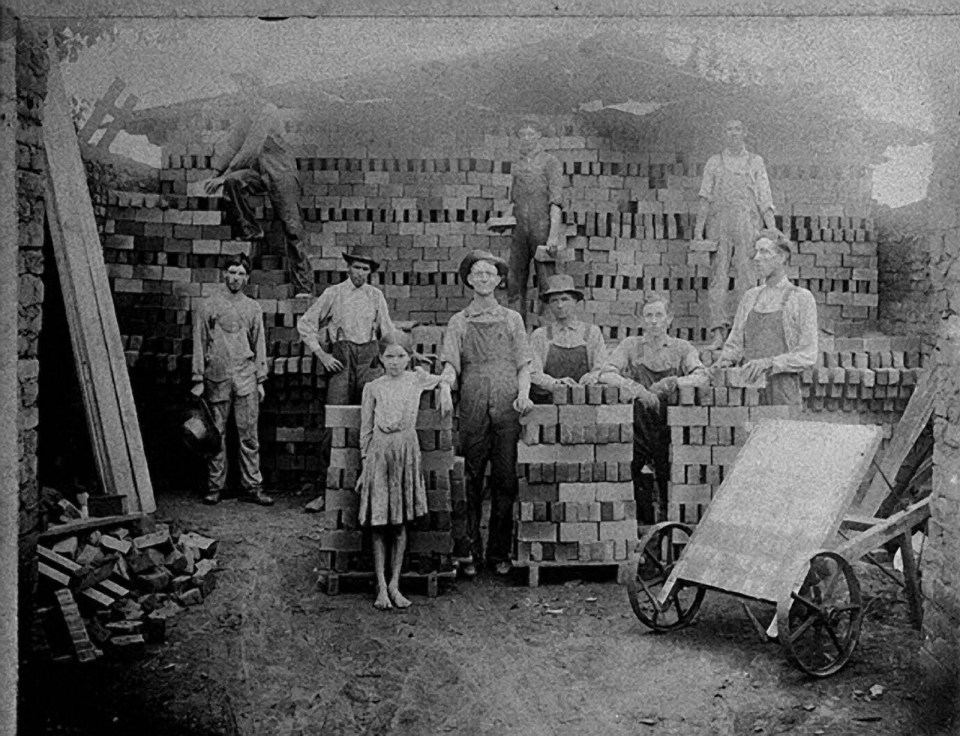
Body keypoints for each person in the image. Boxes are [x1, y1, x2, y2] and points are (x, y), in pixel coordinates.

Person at [438, 250, 533, 577]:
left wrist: (523, 393)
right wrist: (444, 385)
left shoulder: (512, 319)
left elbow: (524, 365)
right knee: (471, 478)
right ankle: (469, 552)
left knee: (505, 479)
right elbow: (450, 364)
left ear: (498, 280)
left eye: (489, 274)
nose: (483, 278)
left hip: (507, 403)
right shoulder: (459, 321)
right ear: (468, 279)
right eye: (477, 273)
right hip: (474, 402)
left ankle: (498, 553)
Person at [297, 248, 397, 511]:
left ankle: (370, 492)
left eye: (365, 269)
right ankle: (326, 491)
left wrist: (402, 354)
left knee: (372, 424)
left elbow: (387, 332)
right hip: (341, 363)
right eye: (357, 267)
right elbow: (305, 324)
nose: (360, 273)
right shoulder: (334, 293)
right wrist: (323, 355)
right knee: (335, 425)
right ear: (348, 268)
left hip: (369, 363)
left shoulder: (375, 296)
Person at [357, 334, 451, 610]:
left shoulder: (415, 380)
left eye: (400, 356)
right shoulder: (373, 387)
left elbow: (448, 376)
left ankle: (395, 585)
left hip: (406, 452)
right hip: (379, 454)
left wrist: (444, 387)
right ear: (380, 358)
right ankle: (380, 586)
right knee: (378, 523)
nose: (395, 362)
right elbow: (365, 430)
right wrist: (365, 466)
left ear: (409, 357)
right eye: (389, 356)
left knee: (399, 524)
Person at [599, 295, 708, 524]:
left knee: (669, 480)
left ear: (669, 318)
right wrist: (636, 388)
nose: (654, 321)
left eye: (659, 315)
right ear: (641, 319)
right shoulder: (630, 346)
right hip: (638, 427)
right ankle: (635, 530)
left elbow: (702, 376)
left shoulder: (682, 348)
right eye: (648, 315)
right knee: (630, 476)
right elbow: (606, 373)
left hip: (668, 428)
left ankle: (669, 532)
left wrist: (675, 382)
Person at [204, 78, 313, 297]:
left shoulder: (268, 111)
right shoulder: (246, 115)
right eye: (242, 87)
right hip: (259, 172)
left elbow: (252, 146)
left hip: (281, 173)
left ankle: (304, 286)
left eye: (249, 87)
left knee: (292, 228)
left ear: (258, 88)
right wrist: (216, 173)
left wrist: (224, 175)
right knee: (234, 182)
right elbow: (232, 143)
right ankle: (251, 229)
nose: (245, 92)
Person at [191, 254, 273, 506]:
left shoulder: (252, 308)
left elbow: (259, 344)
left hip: (246, 377)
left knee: (249, 435)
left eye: (241, 273)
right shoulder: (209, 306)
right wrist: (198, 377)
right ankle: (215, 486)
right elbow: (199, 342)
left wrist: (260, 380)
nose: (236, 278)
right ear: (225, 274)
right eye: (233, 272)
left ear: (247, 278)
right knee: (216, 435)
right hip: (217, 376)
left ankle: (253, 486)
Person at [693, 119, 777, 350]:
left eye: (737, 129)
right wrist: (698, 232)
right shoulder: (714, 162)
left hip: (747, 225)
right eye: (729, 129)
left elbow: (764, 197)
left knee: (747, 279)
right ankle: (718, 333)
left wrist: (771, 228)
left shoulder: (755, 162)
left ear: (744, 133)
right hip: (719, 225)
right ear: (723, 134)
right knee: (718, 279)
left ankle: (743, 335)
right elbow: (705, 197)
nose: (733, 133)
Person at [714, 229, 818, 406]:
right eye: (756, 251)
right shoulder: (750, 297)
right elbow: (735, 343)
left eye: (764, 252)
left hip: (783, 392)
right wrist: (725, 361)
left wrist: (769, 363)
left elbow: (808, 354)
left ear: (782, 257)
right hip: (749, 391)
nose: (756, 258)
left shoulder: (801, 298)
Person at [501, 118, 565, 321]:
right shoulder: (517, 165)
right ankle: (516, 328)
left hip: (542, 229)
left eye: (530, 134)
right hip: (520, 232)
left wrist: (553, 236)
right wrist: (503, 220)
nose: (526, 138)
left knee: (546, 282)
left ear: (539, 136)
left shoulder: (550, 162)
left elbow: (556, 202)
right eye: (522, 135)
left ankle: (547, 330)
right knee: (514, 280)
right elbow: (513, 200)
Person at [528, 274, 607, 403]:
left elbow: (602, 367)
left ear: (575, 301)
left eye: (565, 299)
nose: (560, 305)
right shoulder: (540, 335)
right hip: (548, 403)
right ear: (549, 305)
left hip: (585, 403)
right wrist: (555, 383)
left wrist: (592, 377)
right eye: (554, 301)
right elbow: (532, 372)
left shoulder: (591, 332)